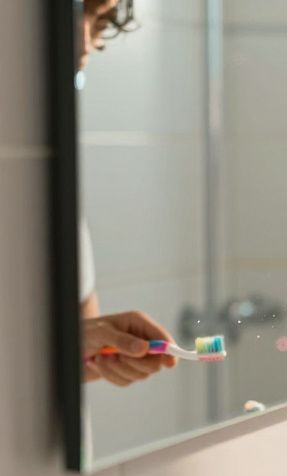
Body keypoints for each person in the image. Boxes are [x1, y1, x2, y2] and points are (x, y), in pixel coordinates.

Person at [76, 0, 177, 387]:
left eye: (98, 20)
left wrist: (100, 350)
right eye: (74, 12)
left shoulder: (52, 181)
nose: (85, 42)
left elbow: (75, 347)